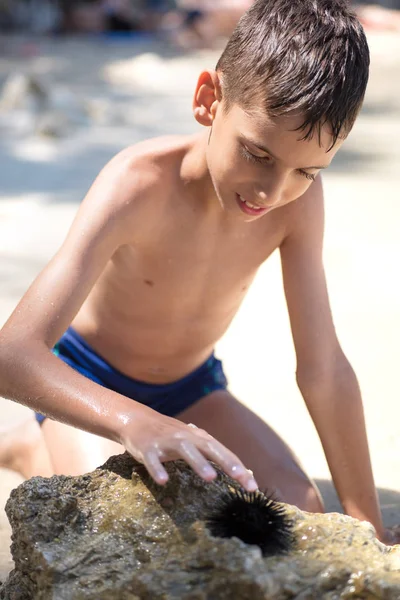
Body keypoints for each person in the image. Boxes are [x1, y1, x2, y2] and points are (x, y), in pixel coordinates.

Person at [0, 0, 397, 545]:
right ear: (209, 100)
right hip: (90, 385)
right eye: (257, 154)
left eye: (305, 170)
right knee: (124, 534)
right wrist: (132, 421)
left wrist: (364, 523)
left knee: (299, 521)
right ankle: (32, 443)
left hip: (194, 389)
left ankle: (58, 443)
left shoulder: (299, 203)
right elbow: (13, 354)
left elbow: (323, 367)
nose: (271, 192)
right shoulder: (136, 184)